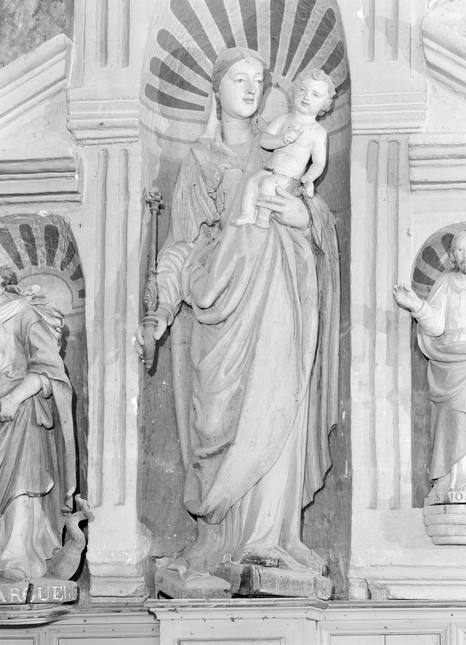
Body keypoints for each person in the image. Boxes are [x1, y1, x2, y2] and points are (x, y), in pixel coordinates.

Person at [136, 47, 339, 578]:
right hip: (220, 303)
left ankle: (270, 538)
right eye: (238, 79)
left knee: (276, 397)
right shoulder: (200, 160)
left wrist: (303, 215)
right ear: (216, 89)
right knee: (216, 419)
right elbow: (181, 244)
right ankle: (220, 543)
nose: (250, 88)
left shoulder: (283, 138)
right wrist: (160, 311)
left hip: (280, 294)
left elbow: (317, 215)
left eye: (257, 79)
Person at [393, 229, 466, 499]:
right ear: (453, 256)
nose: (465, 254)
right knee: (455, 421)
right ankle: (458, 481)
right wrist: (417, 306)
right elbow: (436, 325)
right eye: (459, 249)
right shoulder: (446, 284)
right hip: (451, 364)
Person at [0, 267, 76, 580]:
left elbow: (48, 370)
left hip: (18, 413)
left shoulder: (24, 314)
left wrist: (13, 398)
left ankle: (15, 554)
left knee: (21, 481)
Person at [232, 68, 336, 229]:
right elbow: (264, 140)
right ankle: (247, 214)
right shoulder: (283, 119)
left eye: (315, 95)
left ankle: (263, 217)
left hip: (289, 179)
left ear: (325, 103)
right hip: (270, 170)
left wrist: (309, 178)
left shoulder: (318, 132)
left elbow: (318, 163)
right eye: (303, 90)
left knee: (267, 184)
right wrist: (281, 139)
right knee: (252, 181)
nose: (306, 97)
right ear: (295, 91)